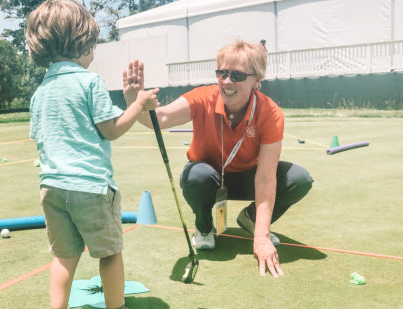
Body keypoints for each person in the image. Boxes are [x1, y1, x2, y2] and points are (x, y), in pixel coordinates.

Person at [125, 39, 313, 277]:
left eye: (236, 75)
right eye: (222, 73)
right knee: (198, 176)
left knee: (299, 178)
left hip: (248, 179)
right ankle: (204, 228)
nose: (226, 81)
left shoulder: (271, 113)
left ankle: (251, 220)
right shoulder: (202, 97)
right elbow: (159, 119)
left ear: (257, 81)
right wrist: (134, 103)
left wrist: (262, 236)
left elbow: (265, 179)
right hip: (208, 177)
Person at [25, 1, 159, 308]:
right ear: (81, 42)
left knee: (64, 256)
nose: (94, 51)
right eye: (92, 44)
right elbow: (111, 129)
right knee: (110, 253)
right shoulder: (90, 81)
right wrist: (138, 104)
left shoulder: (40, 91)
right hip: (91, 188)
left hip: (53, 188)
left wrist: (128, 104)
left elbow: (43, 136)